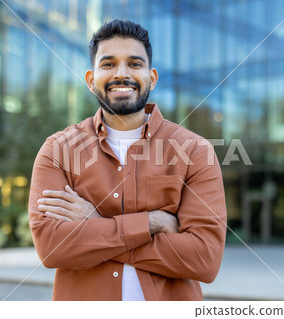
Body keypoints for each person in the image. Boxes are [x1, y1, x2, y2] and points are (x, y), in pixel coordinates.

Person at [28, 19, 227, 301]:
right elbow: (52, 247)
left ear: (152, 78)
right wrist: (152, 222)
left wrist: (95, 223)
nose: (122, 74)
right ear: (90, 80)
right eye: (108, 64)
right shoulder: (58, 150)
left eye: (135, 64)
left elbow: (204, 259)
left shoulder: (195, 150)